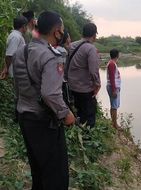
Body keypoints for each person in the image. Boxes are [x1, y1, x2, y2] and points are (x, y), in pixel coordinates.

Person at [12, 11, 75, 189]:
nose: (62, 34)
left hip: (25, 117)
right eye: (61, 30)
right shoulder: (52, 57)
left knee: (37, 169)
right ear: (56, 32)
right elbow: (50, 94)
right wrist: (66, 113)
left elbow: (17, 85)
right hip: (44, 122)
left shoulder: (21, 52)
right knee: (56, 175)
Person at [67, 23, 100, 128]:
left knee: (79, 112)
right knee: (89, 115)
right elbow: (94, 70)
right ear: (94, 35)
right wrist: (97, 85)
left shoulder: (71, 45)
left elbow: (66, 63)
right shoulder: (91, 49)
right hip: (85, 89)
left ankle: (80, 130)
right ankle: (88, 137)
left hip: (72, 87)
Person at [106, 49, 121, 129]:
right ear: (117, 55)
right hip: (113, 87)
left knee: (113, 105)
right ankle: (115, 125)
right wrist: (114, 90)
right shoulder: (112, 64)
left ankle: (113, 123)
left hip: (113, 87)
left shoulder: (112, 63)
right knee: (114, 107)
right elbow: (112, 78)